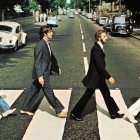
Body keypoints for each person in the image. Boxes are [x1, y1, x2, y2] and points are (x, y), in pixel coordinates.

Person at [70, 30, 124, 121]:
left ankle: (113, 112)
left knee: (107, 94)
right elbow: (99, 66)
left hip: (99, 77)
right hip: (95, 78)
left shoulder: (99, 47)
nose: (106, 38)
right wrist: (109, 77)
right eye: (104, 36)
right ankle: (75, 113)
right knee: (87, 95)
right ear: (99, 38)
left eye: (106, 36)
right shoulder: (96, 49)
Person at [20, 27, 67, 118]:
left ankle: (25, 108)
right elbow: (37, 61)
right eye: (50, 32)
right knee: (49, 92)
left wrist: (56, 69)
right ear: (45, 33)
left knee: (33, 90)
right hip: (42, 73)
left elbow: (50, 58)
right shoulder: (40, 45)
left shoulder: (46, 44)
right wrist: (40, 76)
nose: (52, 33)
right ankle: (59, 110)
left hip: (44, 71)